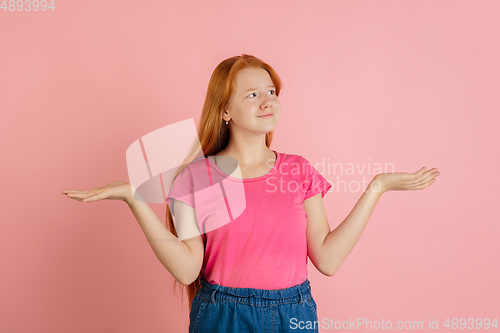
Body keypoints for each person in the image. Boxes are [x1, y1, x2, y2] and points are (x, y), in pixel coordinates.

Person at [62, 54, 440, 332]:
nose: (268, 101)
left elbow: (327, 258)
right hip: (222, 316)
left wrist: (377, 188)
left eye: (271, 91)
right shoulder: (194, 179)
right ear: (224, 110)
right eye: (252, 94)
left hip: (294, 314)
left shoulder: (298, 170)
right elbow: (188, 268)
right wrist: (134, 198)